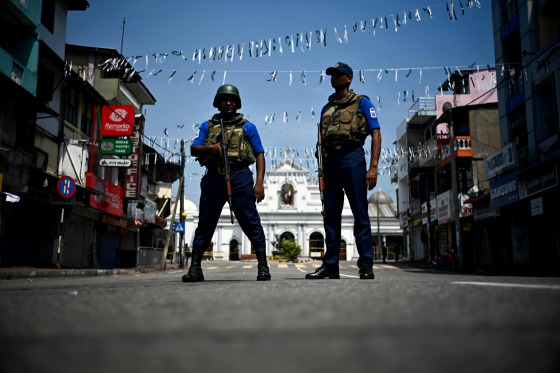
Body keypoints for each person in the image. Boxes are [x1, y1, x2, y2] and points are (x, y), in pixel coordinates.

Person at [182, 84, 271, 282]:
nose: (228, 103)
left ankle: (263, 266)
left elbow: (259, 154)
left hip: (240, 176)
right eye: (224, 99)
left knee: (249, 220)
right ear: (218, 103)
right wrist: (211, 149)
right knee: (206, 221)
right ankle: (195, 268)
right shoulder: (207, 126)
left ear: (237, 104)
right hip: (214, 177)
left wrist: (259, 182)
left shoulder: (248, 126)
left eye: (232, 100)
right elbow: (194, 149)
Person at [306, 62, 381, 280]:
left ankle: (366, 265)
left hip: (352, 157)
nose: (334, 78)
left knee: (360, 213)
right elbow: (321, 140)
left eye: (338, 75)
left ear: (349, 78)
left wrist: (373, 167)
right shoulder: (326, 108)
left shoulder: (362, 103)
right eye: (331, 75)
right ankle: (330, 266)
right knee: (330, 215)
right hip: (331, 163)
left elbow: (376, 134)